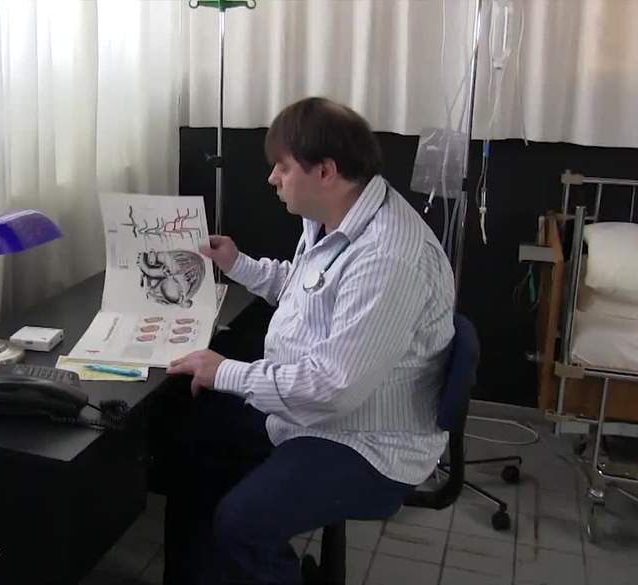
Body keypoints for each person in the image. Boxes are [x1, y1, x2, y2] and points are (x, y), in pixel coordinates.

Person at [162, 97, 456, 585]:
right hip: (315, 411)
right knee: (192, 440)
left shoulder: (387, 256)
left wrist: (224, 371)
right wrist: (237, 264)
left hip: (367, 442)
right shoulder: (336, 217)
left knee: (243, 523)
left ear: (325, 171)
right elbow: (308, 289)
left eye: (282, 167)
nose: (272, 179)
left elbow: (332, 389)